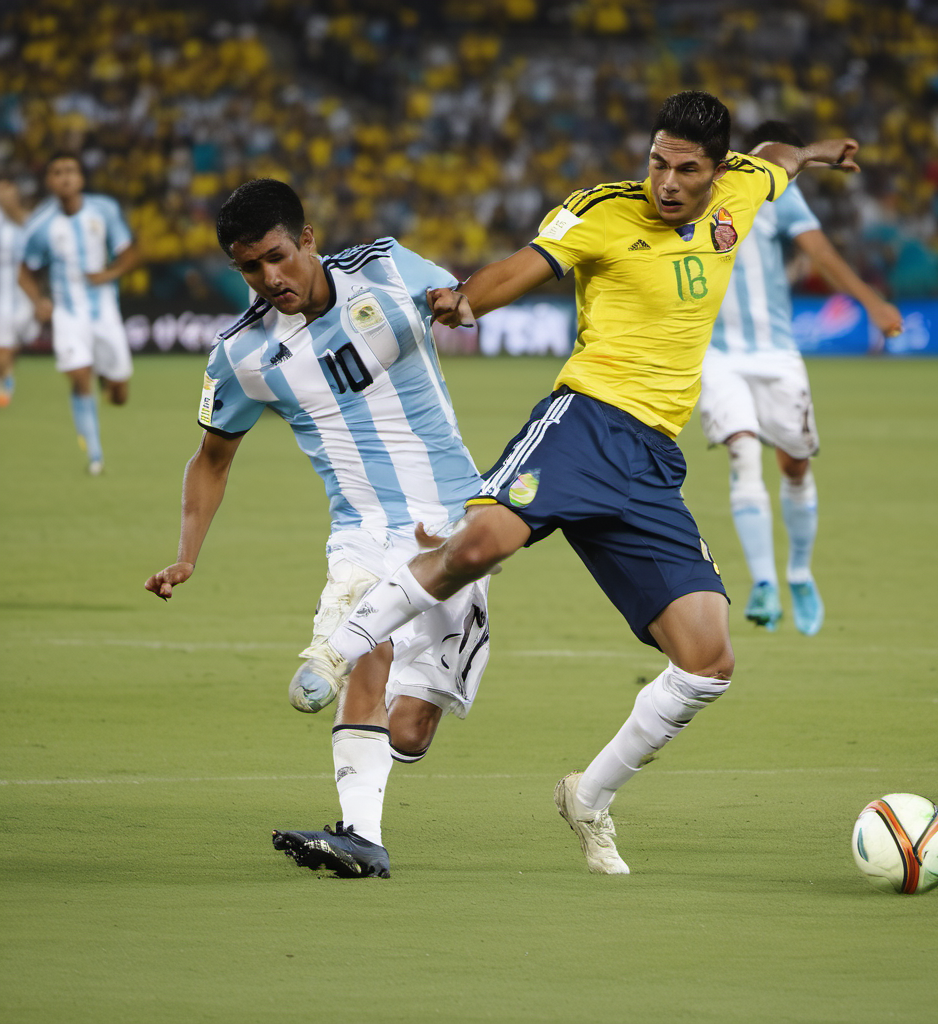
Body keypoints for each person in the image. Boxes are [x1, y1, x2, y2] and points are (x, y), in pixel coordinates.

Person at [320, 91, 863, 874]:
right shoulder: (604, 211)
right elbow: (530, 266)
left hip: (651, 465)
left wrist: (817, 152)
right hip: (585, 424)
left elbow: (777, 161)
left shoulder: (744, 186)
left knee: (709, 662)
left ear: (716, 172)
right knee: (477, 545)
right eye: (657, 162)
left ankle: (590, 797)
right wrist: (468, 298)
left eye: (685, 170)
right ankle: (342, 647)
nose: (666, 182)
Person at [144, 178, 491, 879]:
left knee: (412, 730)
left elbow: (457, 296)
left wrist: (457, 305)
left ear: (307, 239)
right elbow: (211, 460)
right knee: (368, 645)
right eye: (248, 268)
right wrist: (186, 555)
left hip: (460, 526)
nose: (268, 279)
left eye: (276, 256)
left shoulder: (388, 268)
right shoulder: (242, 356)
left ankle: (368, 766)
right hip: (361, 529)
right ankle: (361, 836)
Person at [701, 122, 904, 636]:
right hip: (717, 354)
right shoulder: (703, 187)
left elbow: (821, 254)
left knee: (793, 466)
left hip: (776, 354)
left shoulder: (780, 198)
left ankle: (798, 573)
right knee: (743, 452)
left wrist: (872, 302)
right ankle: (764, 583)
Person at [18, 153, 138, 474]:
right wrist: (39, 301)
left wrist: (108, 274)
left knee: (119, 394)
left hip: (105, 312)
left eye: (71, 171)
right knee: (78, 375)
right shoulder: (40, 225)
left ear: (81, 178)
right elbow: (24, 271)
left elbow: (129, 252)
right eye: (57, 172)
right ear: (49, 181)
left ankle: (106, 377)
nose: (65, 177)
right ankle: (95, 456)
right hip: (68, 313)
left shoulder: (104, 210)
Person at [0, 177, 39, 407]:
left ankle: (7, 375)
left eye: (7, 188)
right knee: (5, 342)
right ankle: (6, 381)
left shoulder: (27, 220)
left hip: (21, 290)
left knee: (13, 340)